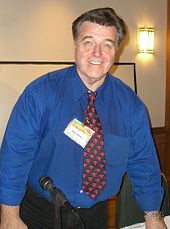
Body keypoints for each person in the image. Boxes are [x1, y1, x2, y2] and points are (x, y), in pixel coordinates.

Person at [0, 7, 167, 229]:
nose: (97, 53)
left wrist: (154, 217)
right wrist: (9, 215)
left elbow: (143, 164)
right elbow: (15, 154)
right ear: (76, 46)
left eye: (107, 44)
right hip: (38, 213)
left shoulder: (131, 106)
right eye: (88, 42)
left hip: (95, 216)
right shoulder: (40, 93)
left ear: (116, 50)